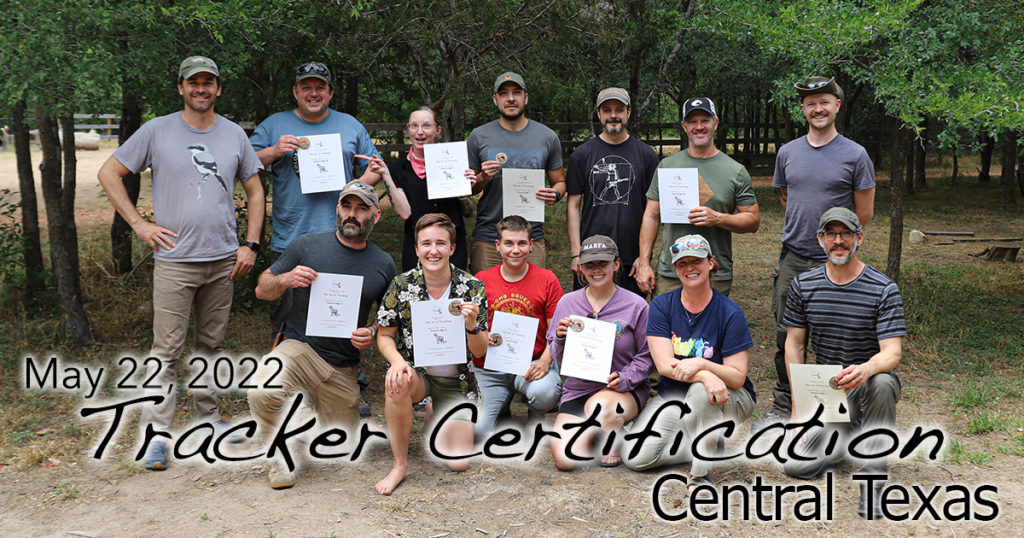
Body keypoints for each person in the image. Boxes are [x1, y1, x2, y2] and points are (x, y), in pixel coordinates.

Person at [96, 56, 265, 470]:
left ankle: (208, 420)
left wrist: (251, 245)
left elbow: (256, 192)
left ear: (218, 88)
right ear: (181, 88)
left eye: (209, 82)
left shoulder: (234, 136)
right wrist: (139, 224)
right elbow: (109, 172)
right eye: (194, 83)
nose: (201, 89)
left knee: (210, 346)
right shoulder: (157, 130)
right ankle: (157, 436)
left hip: (224, 259)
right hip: (175, 260)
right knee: (166, 350)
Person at [247, 181, 397, 489]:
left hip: (342, 366)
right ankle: (278, 455)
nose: (352, 214)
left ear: (376, 216)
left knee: (342, 445)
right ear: (338, 209)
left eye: (361, 208)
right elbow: (263, 288)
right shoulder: (307, 245)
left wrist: (371, 332)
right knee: (262, 388)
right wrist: (287, 279)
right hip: (300, 348)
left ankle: (306, 412)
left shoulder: (383, 263)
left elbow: (391, 319)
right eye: (346, 206)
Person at [756, 76, 876, 430]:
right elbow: (786, 198)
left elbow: (863, 213)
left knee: (837, 335)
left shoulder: (855, 155)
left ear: (837, 106)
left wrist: (835, 242)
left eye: (824, 101)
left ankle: (838, 408)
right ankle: (786, 404)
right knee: (787, 336)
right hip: (793, 258)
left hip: (835, 260)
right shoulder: (788, 152)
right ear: (803, 109)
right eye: (810, 103)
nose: (817, 108)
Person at [780, 207, 904, 519]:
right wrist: (798, 412)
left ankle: (875, 477)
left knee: (884, 381)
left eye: (846, 233)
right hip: (826, 396)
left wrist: (866, 369)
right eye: (831, 234)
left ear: (859, 238)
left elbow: (892, 352)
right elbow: (794, 345)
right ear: (820, 240)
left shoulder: (883, 288)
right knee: (797, 467)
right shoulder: (803, 285)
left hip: (865, 388)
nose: (839, 241)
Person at [249, 61, 383, 337]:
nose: (313, 93)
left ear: (330, 93)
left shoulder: (349, 125)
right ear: (295, 92)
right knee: (286, 318)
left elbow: (376, 167)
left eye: (320, 88)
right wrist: (273, 151)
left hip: (343, 237)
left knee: (340, 317)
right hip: (291, 235)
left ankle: (346, 373)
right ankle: (284, 372)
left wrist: (352, 188)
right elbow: (245, 163)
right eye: (306, 87)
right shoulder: (274, 125)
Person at [624, 235, 755, 495]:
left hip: (728, 395)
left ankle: (700, 473)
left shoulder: (730, 313)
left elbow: (738, 378)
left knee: (700, 395)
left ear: (710, 263)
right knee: (636, 458)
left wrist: (700, 364)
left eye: (696, 261)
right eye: (682, 263)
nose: (689, 268)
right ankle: (706, 437)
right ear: (675, 269)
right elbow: (663, 366)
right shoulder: (662, 306)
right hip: (675, 393)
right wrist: (705, 374)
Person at [374, 213, 489, 495]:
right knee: (397, 381)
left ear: (452, 248)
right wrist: (398, 362)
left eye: (441, 243)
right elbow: (385, 335)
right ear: (416, 249)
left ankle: (433, 412)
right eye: (426, 244)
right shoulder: (402, 285)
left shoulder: (472, 287)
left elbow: (480, 351)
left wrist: (472, 327)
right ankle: (399, 466)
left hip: (457, 380)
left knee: (458, 463)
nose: (433, 250)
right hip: (419, 375)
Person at [635, 97, 759, 298]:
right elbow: (651, 215)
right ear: (684, 126)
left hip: (714, 271)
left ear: (716, 124)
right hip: (671, 271)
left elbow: (753, 221)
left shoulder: (735, 171)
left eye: (705, 121)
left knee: (710, 329)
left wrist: (717, 218)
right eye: (693, 122)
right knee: (667, 329)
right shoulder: (667, 167)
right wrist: (644, 263)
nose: (699, 127)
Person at [546, 235, 652, 470]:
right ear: (581, 268)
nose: (596, 270)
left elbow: (647, 356)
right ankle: (595, 430)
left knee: (602, 406)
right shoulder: (567, 302)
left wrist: (625, 378)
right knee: (565, 460)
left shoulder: (637, 305)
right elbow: (558, 357)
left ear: (616, 265)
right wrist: (561, 339)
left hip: (620, 391)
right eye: (590, 265)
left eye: (602, 264)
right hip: (578, 390)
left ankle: (612, 434)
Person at [473, 215, 564, 436]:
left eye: (522, 243)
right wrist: (483, 337)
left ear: (531, 246)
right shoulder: (480, 280)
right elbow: (473, 329)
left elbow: (557, 332)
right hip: (490, 367)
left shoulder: (547, 279)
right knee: (475, 432)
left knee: (545, 393)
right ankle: (500, 403)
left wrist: (544, 362)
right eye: (509, 243)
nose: (515, 250)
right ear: (498, 246)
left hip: (531, 364)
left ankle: (536, 410)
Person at [467, 71, 566, 273]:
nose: (511, 98)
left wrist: (554, 194)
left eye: (517, 93)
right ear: (495, 100)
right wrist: (483, 177)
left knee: (531, 301)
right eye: (504, 93)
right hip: (489, 237)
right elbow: (468, 188)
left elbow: (560, 182)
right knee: (487, 300)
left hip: (531, 237)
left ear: (526, 98)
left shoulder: (547, 137)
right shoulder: (479, 136)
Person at [566, 87, 658, 297]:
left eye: (619, 109)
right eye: (607, 110)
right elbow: (573, 206)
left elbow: (652, 211)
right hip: (591, 256)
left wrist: (644, 258)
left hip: (631, 258)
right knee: (589, 321)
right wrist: (576, 253)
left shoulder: (646, 155)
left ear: (629, 112)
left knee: (629, 323)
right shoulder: (582, 155)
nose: (613, 115)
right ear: (598, 114)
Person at [359, 106, 471, 271]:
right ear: (408, 129)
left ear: (437, 130)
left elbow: (468, 212)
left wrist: (462, 192)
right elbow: (404, 213)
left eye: (426, 126)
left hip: (451, 244)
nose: (420, 132)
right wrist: (386, 175)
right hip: (417, 246)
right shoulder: (398, 169)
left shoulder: (453, 162)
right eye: (414, 126)